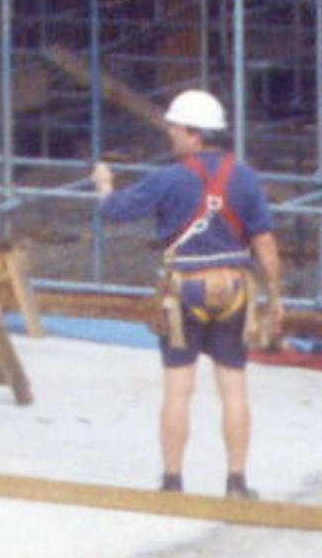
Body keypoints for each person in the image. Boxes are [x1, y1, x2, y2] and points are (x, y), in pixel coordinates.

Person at [89, 89, 284, 497]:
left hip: (186, 291)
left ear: (195, 135)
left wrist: (104, 186)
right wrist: (276, 297)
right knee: (233, 386)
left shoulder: (169, 178)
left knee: (179, 388)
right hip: (234, 287)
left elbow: (115, 212)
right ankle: (236, 482)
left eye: (176, 128)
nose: (171, 135)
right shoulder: (244, 176)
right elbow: (264, 243)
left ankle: (172, 481)